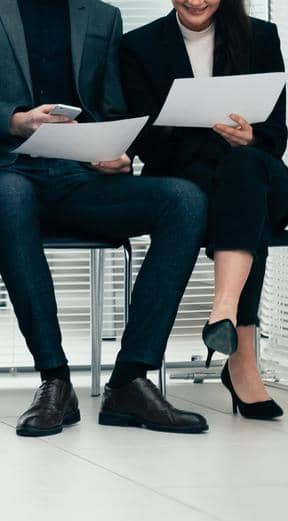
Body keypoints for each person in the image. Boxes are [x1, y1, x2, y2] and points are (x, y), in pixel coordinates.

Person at [0, 0, 209, 437]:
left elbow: (110, 107)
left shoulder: (102, 16)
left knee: (184, 199)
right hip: (2, 169)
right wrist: (16, 121)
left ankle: (130, 380)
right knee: (11, 193)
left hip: (77, 177)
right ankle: (54, 380)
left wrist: (115, 152)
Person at [121, 0, 283, 420]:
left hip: (257, 173)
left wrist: (248, 138)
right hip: (190, 182)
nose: (195, 0)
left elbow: (275, 136)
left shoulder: (260, 37)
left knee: (246, 172)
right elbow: (146, 145)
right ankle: (240, 358)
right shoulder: (138, 46)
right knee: (245, 202)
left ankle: (224, 311)